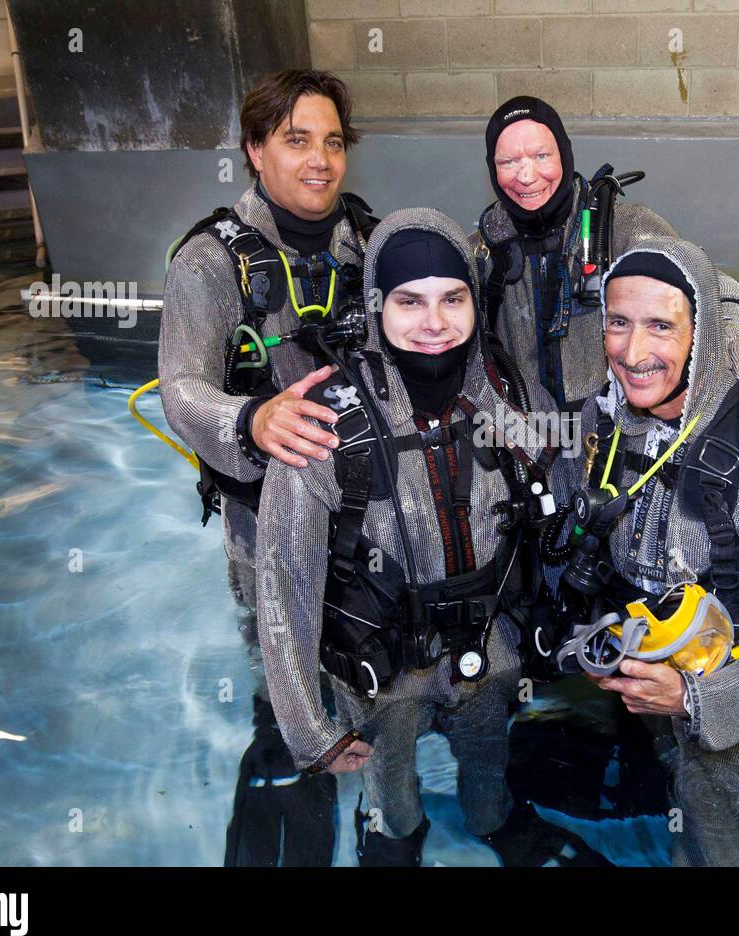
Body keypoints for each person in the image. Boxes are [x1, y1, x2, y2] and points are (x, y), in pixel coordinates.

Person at [255, 207, 607, 867]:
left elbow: (556, 497)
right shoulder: (319, 426)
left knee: (487, 769)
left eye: (453, 298)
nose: (434, 322)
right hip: (381, 668)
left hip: (489, 648)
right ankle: (394, 835)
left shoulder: (504, 390)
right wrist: (310, 733)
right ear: (376, 308)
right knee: (391, 795)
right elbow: (284, 588)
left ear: (476, 303)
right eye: (409, 301)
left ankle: (491, 818)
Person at [546, 238, 739, 865]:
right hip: (646, 693)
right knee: (668, 818)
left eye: (661, 326)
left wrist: (697, 701)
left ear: (703, 333)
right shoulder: (602, 422)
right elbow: (575, 539)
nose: (633, 353)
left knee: (728, 853)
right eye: (618, 322)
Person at [157, 69, 376, 865]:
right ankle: (284, 767)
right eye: (295, 140)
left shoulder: (369, 241)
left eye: (331, 141)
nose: (319, 159)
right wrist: (251, 417)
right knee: (279, 670)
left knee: (354, 660)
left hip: (359, 522)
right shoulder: (209, 263)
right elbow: (180, 392)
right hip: (261, 529)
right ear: (254, 150)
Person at [472, 96, 679, 406]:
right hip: (525, 430)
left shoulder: (626, 229)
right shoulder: (480, 251)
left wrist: (731, 327)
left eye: (541, 155)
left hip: (610, 428)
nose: (527, 176)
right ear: (492, 169)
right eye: (508, 162)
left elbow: (708, 286)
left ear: (564, 155)